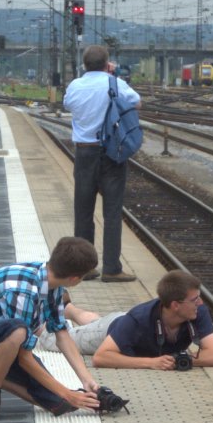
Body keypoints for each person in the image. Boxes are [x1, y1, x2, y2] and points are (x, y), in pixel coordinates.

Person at [0, 236, 103, 421]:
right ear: (75, 278)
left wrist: (86, 380)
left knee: (57, 403)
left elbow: (61, 334)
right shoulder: (23, 290)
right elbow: (23, 354)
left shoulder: (52, 284)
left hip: (3, 344)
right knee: (18, 331)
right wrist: (67, 392)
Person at [62, 45, 142, 283]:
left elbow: (68, 105)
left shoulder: (75, 86)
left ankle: (84, 268)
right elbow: (137, 103)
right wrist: (113, 77)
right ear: (107, 64)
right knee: (112, 213)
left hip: (84, 154)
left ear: (84, 65)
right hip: (111, 153)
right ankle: (111, 268)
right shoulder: (113, 83)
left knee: (83, 212)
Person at [92, 271, 213, 369]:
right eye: (195, 299)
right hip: (108, 329)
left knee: (92, 318)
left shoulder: (197, 311)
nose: (200, 303)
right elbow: (100, 357)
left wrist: (177, 360)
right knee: (75, 334)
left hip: (126, 322)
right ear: (175, 305)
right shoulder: (136, 320)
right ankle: (72, 311)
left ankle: (78, 313)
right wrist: (150, 363)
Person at [35, 291, 125, 355]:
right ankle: (34, 320)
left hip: (119, 320)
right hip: (113, 330)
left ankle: (64, 307)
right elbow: (100, 358)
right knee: (52, 339)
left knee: (98, 325)